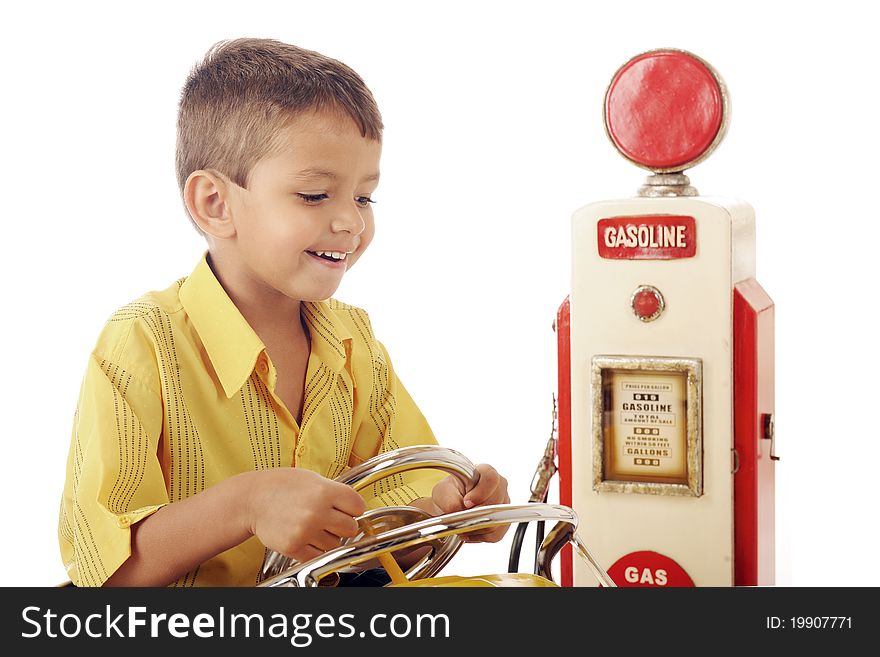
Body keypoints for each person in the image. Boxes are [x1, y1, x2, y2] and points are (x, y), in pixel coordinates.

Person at [58, 38, 509, 587]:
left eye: (365, 197)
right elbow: (102, 574)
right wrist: (247, 505)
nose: (351, 222)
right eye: (316, 196)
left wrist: (444, 512)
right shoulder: (141, 343)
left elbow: (383, 539)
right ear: (215, 204)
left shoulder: (353, 341)